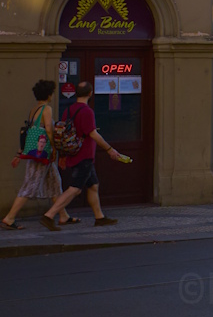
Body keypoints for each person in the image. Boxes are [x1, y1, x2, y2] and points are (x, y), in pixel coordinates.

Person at [41, 82, 123, 229]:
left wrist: (64, 156)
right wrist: (109, 149)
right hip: (83, 155)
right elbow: (93, 134)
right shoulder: (87, 111)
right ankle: (49, 215)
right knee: (75, 188)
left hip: (75, 154)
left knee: (93, 185)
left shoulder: (68, 110)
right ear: (90, 93)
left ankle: (99, 217)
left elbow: (62, 135)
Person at [2, 80, 75, 230]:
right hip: (42, 155)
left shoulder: (34, 110)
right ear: (49, 94)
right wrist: (54, 149)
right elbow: (48, 129)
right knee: (30, 186)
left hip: (38, 154)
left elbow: (28, 134)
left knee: (54, 183)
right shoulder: (46, 109)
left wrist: (19, 153)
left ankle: (63, 215)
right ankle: (9, 218)